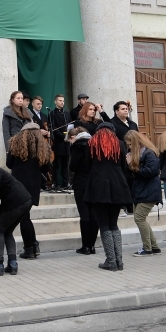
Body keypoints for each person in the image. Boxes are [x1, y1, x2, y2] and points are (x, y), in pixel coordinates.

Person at [84, 122, 131, 271]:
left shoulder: (91, 143)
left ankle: (110, 260)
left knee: (103, 223)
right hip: (118, 184)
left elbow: (87, 166)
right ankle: (119, 260)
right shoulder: (120, 144)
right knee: (114, 223)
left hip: (98, 185)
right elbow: (124, 166)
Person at [7, 123, 52, 260]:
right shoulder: (43, 147)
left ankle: (29, 248)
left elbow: (9, 164)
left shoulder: (15, 143)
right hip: (33, 184)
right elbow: (46, 168)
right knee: (25, 216)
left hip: (18, 184)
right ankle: (33, 245)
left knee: (24, 217)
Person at [124, 131, 162, 257]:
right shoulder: (141, 154)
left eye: (130, 144)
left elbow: (150, 172)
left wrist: (132, 165)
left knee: (139, 218)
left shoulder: (149, 153)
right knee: (141, 219)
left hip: (149, 191)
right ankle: (154, 247)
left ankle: (147, 248)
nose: (129, 147)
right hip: (141, 191)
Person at [68, 127, 97, 255]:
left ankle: (85, 246)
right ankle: (92, 246)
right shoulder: (95, 144)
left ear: (74, 137)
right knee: (94, 214)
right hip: (94, 182)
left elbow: (72, 166)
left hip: (81, 182)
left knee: (84, 214)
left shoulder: (77, 146)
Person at [48, 94, 72, 191]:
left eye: (63, 101)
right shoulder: (52, 114)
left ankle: (66, 183)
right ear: (55, 102)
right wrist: (63, 137)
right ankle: (56, 184)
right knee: (57, 164)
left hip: (67, 143)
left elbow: (70, 126)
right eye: (60, 100)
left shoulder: (67, 114)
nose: (62, 102)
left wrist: (69, 136)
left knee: (65, 164)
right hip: (58, 142)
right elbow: (53, 128)